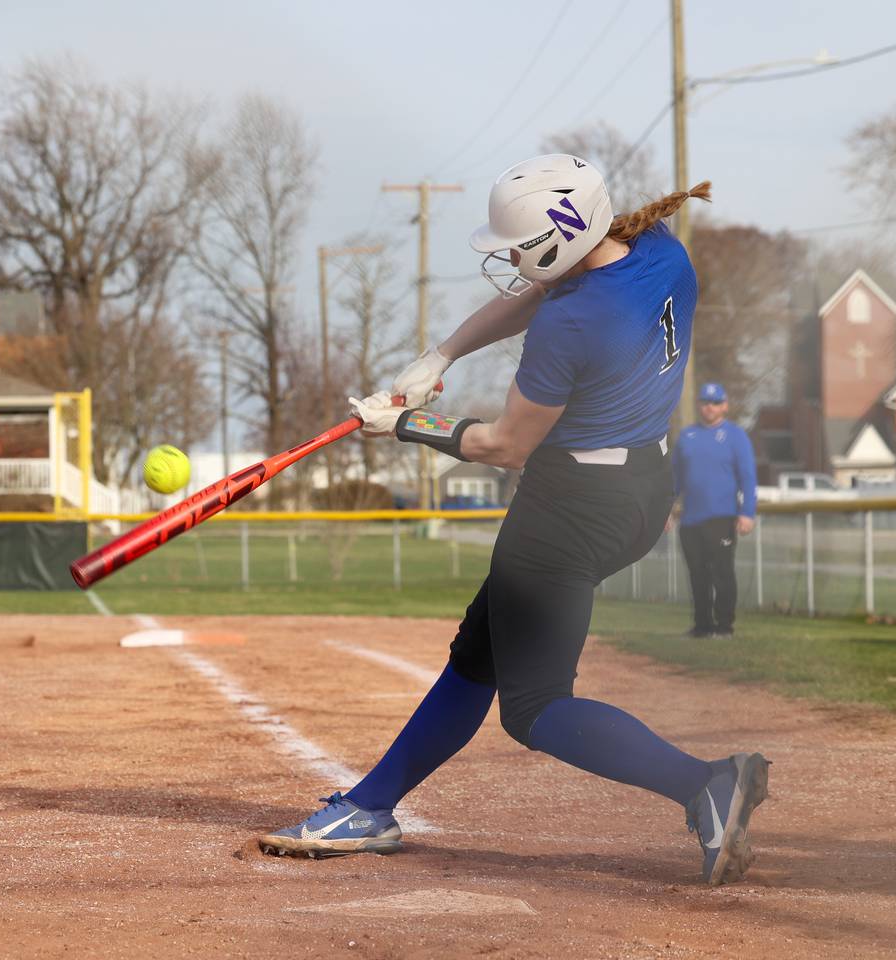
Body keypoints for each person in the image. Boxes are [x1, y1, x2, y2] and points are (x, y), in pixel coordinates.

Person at [257, 155, 769, 886]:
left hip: (566, 512)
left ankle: (708, 782)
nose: (511, 261)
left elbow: (506, 444)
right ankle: (371, 806)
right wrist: (441, 354)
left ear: (558, 239)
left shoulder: (572, 323)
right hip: (642, 490)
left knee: (532, 708)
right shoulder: (660, 251)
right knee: (480, 651)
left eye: (520, 246)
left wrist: (406, 423)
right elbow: (543, 293)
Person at [670, 383, 757, 637]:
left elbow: (748, 477)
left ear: (725, 405)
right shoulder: (687, 437)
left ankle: (724, 626)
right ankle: (702, 625)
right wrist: (666, 510)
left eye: (716, 402)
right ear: (699, 405)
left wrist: (747, 512)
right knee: (698, 574)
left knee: (722, 572)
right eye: (706, 402)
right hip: (690, 519)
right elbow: (675, 479)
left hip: (722, 516)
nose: (710, 407)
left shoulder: (736, 436)